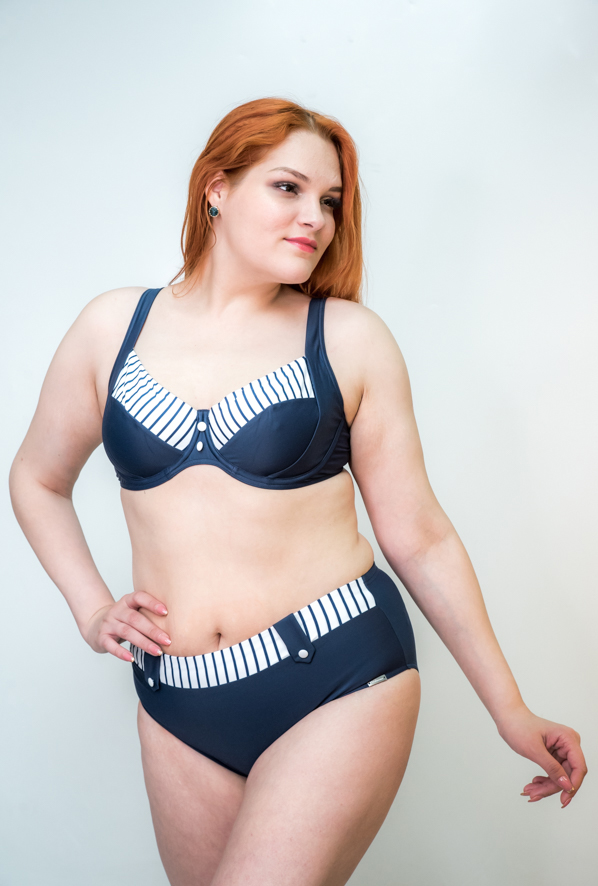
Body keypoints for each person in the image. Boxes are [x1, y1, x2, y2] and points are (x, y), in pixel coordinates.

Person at [9, 97, 586, 886]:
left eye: (330, 201)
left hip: (338, 676)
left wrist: (509, 709)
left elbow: (419, 538)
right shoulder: (111, 329)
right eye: (288, 187)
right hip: (177, 699)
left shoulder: (348, 339)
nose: (315, 217)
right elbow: (37, 479)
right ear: (216, 188)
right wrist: (89, 609)